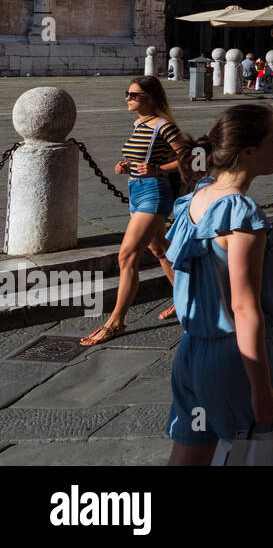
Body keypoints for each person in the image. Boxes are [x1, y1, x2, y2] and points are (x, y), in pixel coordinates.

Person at [164, 104, 273, 465]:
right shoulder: (242, 214)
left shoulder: (196, 198)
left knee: (190, 455)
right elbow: (244, 307)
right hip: (237, 357)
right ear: (248, 152)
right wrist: (261, 388)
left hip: (193, 350)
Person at [81, 77, 189, 346]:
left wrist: (158, 170)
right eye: (127, 93)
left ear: (151, 98)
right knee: (160, 249)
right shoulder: (139, 124)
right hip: (136, 191)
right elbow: (142, 156)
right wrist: (126, 165)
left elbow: (192, 158)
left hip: (154, 194)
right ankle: (186, 297)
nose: (127, 98)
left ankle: (115, 322)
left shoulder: (164, 125)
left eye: (134, 95)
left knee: (127, 256)